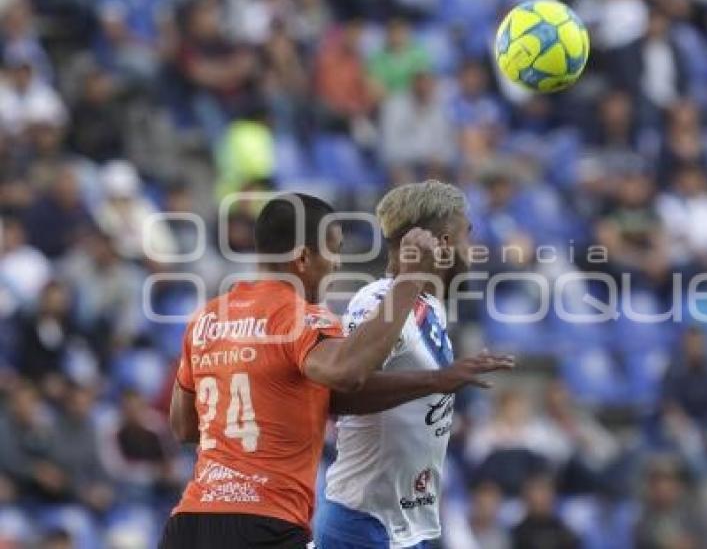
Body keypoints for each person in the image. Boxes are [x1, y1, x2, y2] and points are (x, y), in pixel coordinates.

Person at [160, 192, 511, 548]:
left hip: (190, 521)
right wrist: (410, 280)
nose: (337, 265)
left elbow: (184, 426)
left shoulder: (206, 318)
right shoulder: (303, 318)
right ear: (302, 258)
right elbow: (349, 373)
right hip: (267, 521)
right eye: (333, 251)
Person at [315, 181, 514, 548]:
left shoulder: (431, 307)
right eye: (464, 235)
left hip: (405, 523)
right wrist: (438, 380)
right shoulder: (377, 300)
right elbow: (340, 394)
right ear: (439, 242)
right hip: (364, 520)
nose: (472, 250)